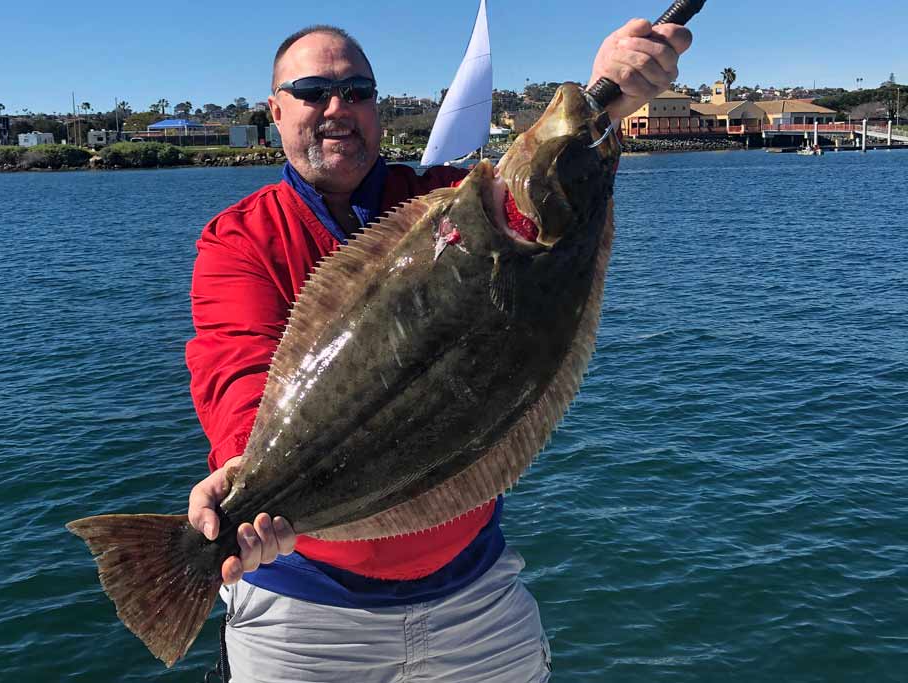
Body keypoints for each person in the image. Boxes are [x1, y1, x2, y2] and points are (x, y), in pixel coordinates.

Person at [186, 19, 691, 683]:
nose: (339, 107)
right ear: (275, 111)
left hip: (474, 597)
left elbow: (547, 179)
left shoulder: (450, 200)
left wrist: (611, 98)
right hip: (306, 617)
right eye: (313, 91)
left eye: (357, 90)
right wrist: (245, 469)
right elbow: (235, 369)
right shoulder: (240, 239)